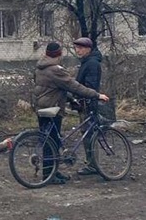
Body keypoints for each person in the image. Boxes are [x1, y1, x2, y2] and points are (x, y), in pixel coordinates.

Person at [34, 42, 110, 184]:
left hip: (41, 107)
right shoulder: (55, 69)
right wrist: (96, 95)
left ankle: (53, 173)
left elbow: (53, 88)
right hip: (53, 107)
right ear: (59, 54)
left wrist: (69, 99)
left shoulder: (40, 68)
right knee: (52, 142)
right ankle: (49, 175)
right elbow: (73, 85)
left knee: (51, 140)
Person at [72, 37, 103, 176]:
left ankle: (93, 165)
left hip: (88, 104)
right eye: (76, 48)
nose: (77, 50)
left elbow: (90, 85)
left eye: (81, 48)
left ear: (88, 49)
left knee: (90, 135)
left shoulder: (91, 64)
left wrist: (81, 93)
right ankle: (91, 163)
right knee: (87, 134)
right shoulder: (86, 62)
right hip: (84, 103)